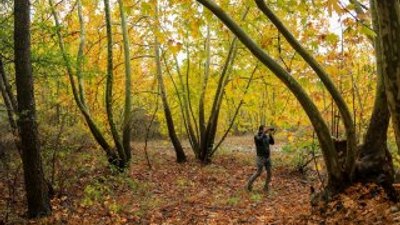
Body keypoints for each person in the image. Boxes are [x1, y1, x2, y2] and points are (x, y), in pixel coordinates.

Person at [246, 125, 275, 192]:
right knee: (259, 172)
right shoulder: (256, 136)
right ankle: (249, 185)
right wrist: (264, 132)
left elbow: (272, 143)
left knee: (270, 172)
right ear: (261, 129)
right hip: (260, 157)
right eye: (265, 128)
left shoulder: (266, 136)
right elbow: (259, 140)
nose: (267, 130)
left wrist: (270, 134)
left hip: (267, 157)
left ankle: (266, 187)